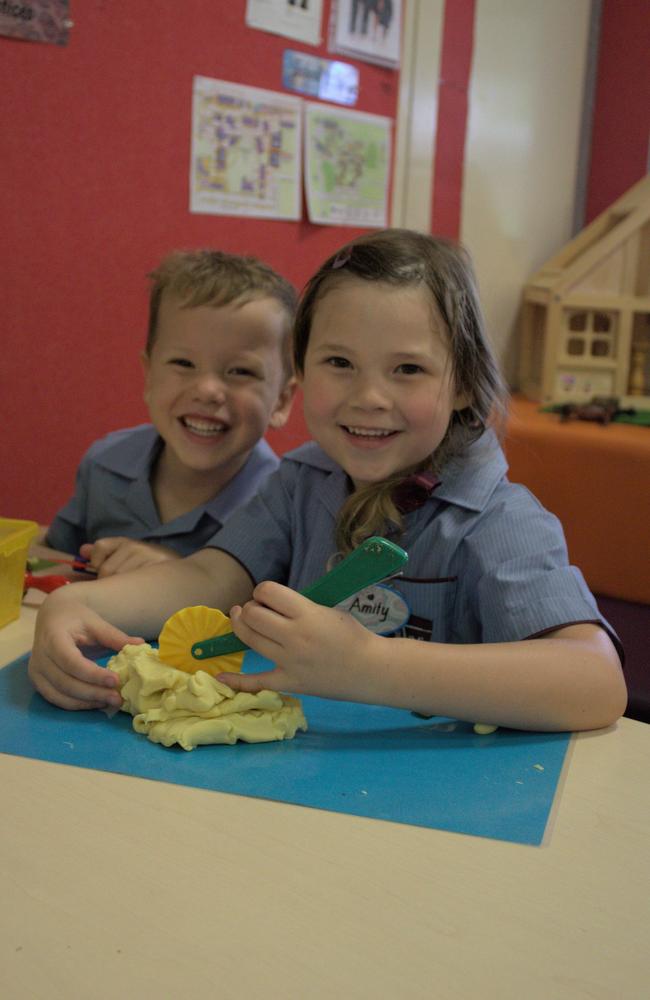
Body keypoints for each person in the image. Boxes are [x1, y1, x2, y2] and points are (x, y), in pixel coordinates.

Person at [29, 230, 627, 731]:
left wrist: (370, 664)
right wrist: (79, 603)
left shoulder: (498, 519)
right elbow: (211, 576)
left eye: (408, 369)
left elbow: (596, 682)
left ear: (466, 383)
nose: (368, 398)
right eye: (339, 363)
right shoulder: (301, 482)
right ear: (302, 369)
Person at [44, 249, 297, 576]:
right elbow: (51, 563)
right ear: (149, 375)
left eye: (240, 371)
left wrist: (181, 576)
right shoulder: (104, 464)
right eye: (183, 363)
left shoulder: (283, 509)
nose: (207, 390)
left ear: (281, 401)